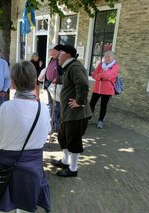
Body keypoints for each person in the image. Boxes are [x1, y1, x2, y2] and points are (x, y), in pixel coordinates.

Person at [0, 61, 51, 213]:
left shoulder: (6, 108)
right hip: (32, 171)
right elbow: (46, 134)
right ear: (34, 82)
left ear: (12, 83)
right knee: (26, 208)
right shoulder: (43, 108)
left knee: (5, 209)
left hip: (5, 172)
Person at [51, 45, 92, 177]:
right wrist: (59, 79)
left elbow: (83, 84)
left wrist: (79, 102)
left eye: (60, 53)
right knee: (63, 137)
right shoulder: (70, 67)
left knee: (73, 140)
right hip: (68, 112)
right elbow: (70, 79)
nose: (57, 56)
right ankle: (65, 161)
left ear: (68, 55)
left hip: (76, 114)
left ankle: (73, 169)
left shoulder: (74, 67)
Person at [89, 51, 119, 129]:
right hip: (97, 88)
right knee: (91, 104)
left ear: (113, 57)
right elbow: (94, 74)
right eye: (105, 57)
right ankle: (88, 118)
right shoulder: (100, 64)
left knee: (103, 105)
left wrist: (100, 76)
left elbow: (110, 75)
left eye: (109, 57)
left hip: (107, 90)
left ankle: (100, 121)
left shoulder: (115, 66)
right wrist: (101, 77)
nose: (107, 58)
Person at [44, 45, 63, 131]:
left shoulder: (61, 59)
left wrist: (58, 80)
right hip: (49, 84)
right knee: (51, 104)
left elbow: (63, 73)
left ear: (55, 51)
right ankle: (53, 122)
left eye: (50, 50)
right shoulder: (52, 59)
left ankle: (56, 124)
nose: (49, 52)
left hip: (56, 85)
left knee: (56, 105)